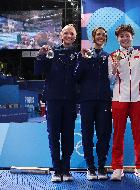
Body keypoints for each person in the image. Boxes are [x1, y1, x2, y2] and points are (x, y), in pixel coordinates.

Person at [34, 24, 78, 182]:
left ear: (75, 36)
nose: (68, 36)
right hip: (53, 99)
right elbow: (39, 70)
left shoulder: (79, 55)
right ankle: (56, 170)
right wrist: (40, 56)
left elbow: (81, 77)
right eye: (66, 33)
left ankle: (66, 170)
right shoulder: (52, 52)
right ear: (61, 35)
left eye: (71, 33)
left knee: (68, 136)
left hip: (71, 100)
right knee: (53, 135)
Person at [108, 24, 140, 181]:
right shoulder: (112, 56)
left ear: (132, 37)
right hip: (119, 99)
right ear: (118, 39)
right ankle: (117, 168)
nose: (125, 38)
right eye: (121, 36)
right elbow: (111, 80)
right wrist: (114, 69)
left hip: (138, 99)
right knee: (118, 134)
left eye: (127, 35)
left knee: (139, 134)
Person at [75, 27, 112, 180]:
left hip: (104, 100)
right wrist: (84, 60)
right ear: (93, 37)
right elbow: (76, 76)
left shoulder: (109, 57)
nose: (101, 37)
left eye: (103, 35)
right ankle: (90, 167)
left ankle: (102, 167)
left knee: (104, 133)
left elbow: (112, 79)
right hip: (86, 101)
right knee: (87, 134)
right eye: (98, 34)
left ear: (106, 38)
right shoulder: (83, 55)